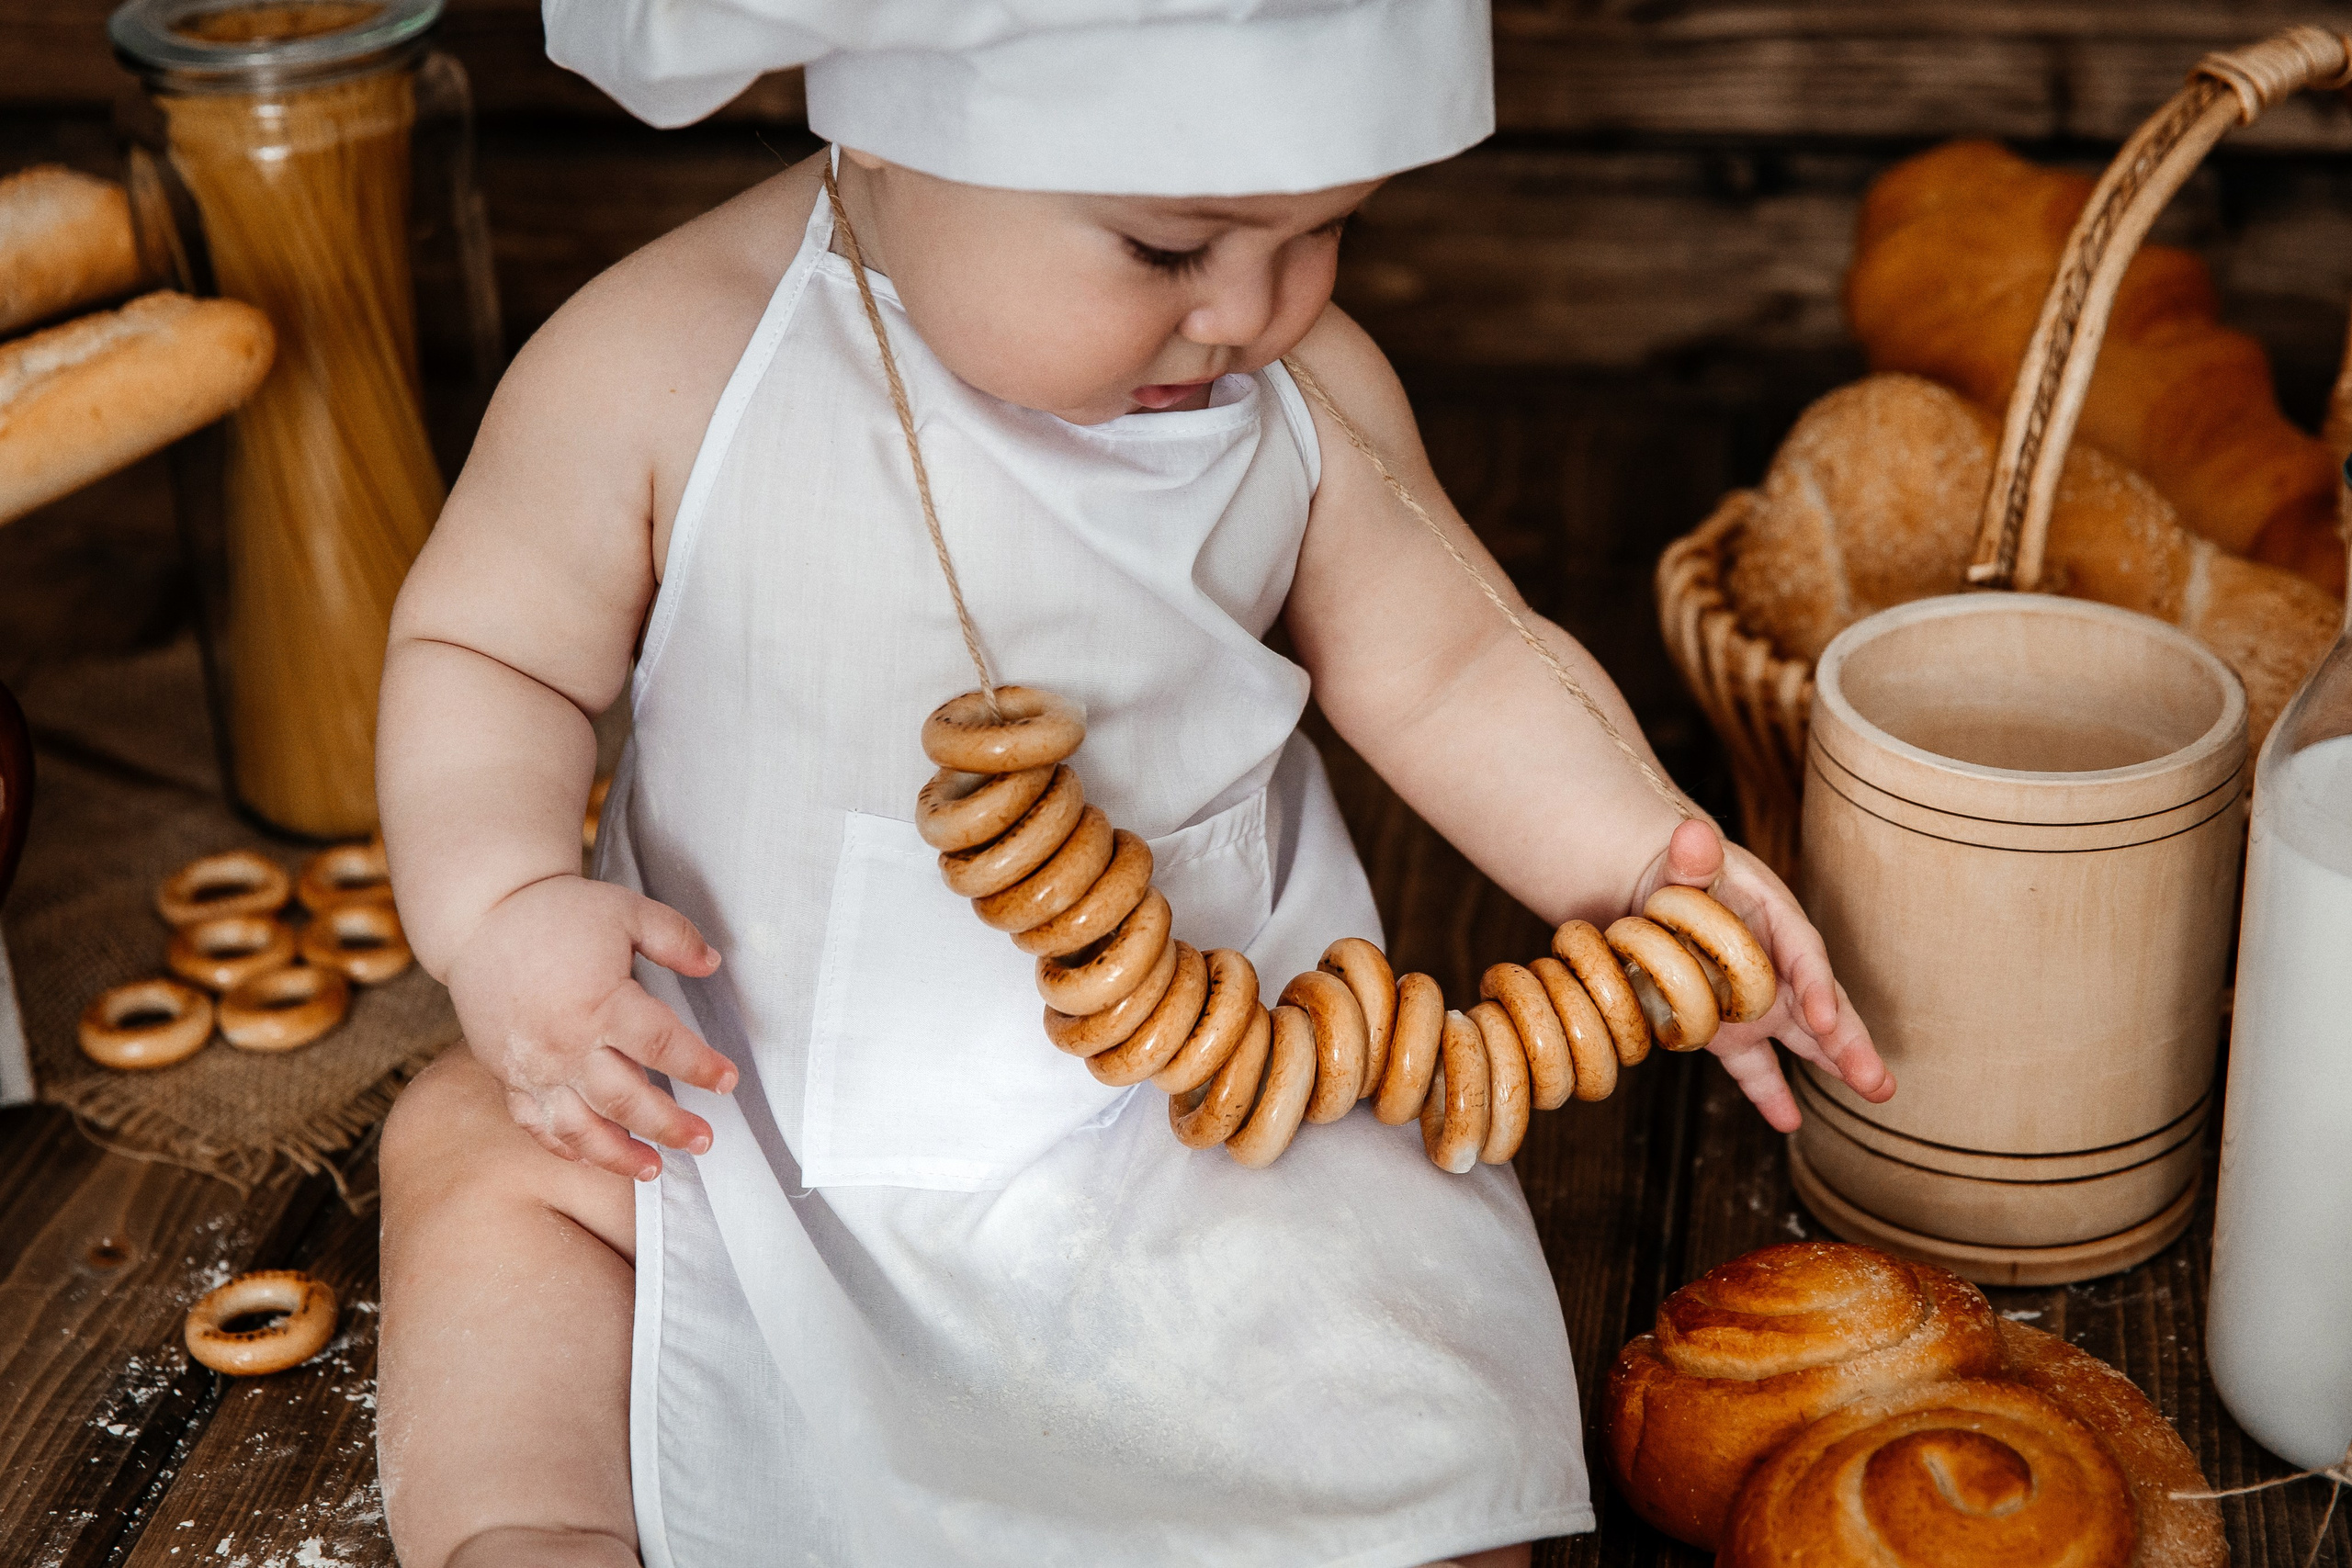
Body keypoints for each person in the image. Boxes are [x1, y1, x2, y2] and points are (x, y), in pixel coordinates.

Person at [372, 3, 1894, 1563]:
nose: (1249, 309)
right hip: (748, 1117)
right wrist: (501, 906)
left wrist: (1657, 872)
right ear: (891, 128)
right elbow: (488, 653)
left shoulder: (1302, 395)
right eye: (1169, 250)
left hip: (1205, 1122)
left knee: (1384, 1339)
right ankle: (538, 1526)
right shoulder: (660, 363)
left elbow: (1458, 667)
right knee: (475, 1153)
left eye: (1323, 233)